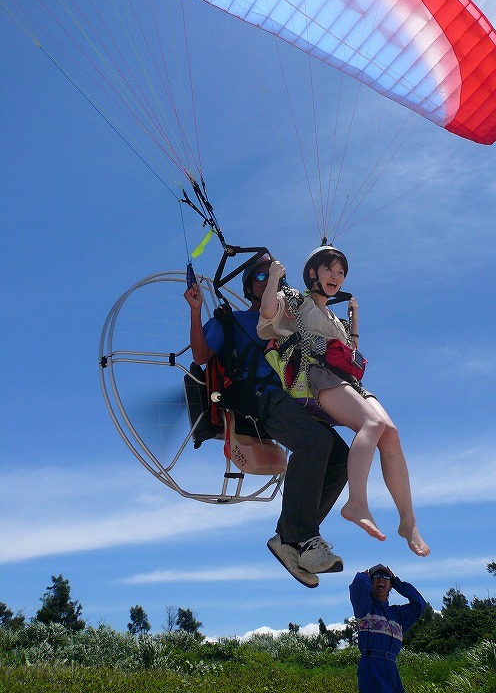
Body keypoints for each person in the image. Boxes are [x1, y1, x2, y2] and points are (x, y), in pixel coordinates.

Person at [184, 253, 349, 588]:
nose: (270, 280)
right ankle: (303, 538)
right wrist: (195, 310)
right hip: (262, 398)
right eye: (261, 277)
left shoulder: (290, 322)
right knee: (314, 442)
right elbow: (200, 356)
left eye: (275, 276)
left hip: (297, 399)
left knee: (342, 457)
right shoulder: (232, 320)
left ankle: (286, 537)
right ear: (249, 289)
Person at [257, 246, 430, 556]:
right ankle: (357, 502)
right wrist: (273, 277)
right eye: (330, 269)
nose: (336, 276)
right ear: (313, 273)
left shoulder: (334, 319)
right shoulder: (296, 301)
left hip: (347, 381)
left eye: (340, 272)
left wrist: (354, 320)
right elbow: (268, 313)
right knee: (371, 423)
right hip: (317, 376)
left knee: (390, 433)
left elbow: (350, 351)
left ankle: (408, 520)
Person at [350, 564, 426, 693]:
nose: (381, 579)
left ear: (390, 585)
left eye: (385, 577)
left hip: (392, 668)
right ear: (370, 582)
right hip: (371, 665)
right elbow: (358, 585)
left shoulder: (397, 615)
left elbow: (420, 604)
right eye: (376, 576)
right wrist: (364, 576)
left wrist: (397, 582)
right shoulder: (365, 609)